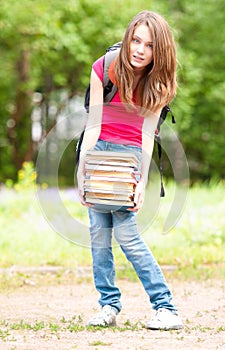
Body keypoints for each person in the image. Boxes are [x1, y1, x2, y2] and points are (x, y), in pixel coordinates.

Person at [77, 10, 183, 330]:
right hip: (98, 153)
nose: (139, 49)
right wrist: (83, 170)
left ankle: (166, 307)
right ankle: (108, 305)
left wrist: (140, 180)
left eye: (148, 45)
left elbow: (147, 136)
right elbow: (93, 123)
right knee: (98, 235)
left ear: (158, 51)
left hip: (128, 157)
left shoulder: (160, 83)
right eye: (135, 40)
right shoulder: (105, 67)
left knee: (127, 235)